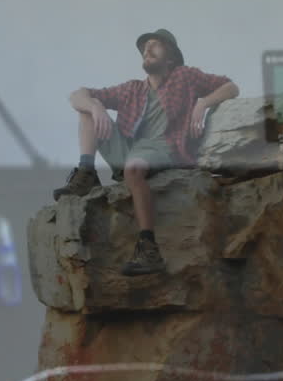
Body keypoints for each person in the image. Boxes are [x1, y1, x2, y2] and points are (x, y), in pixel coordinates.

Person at [58, 29, 239, 275]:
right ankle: (86, 172)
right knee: (88, 107)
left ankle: (149, 248)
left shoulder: (184, 77)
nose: (147, 49)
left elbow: (231, 87)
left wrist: (203, 103)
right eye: (145, 47)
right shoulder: (133, 89)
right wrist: (94, 106)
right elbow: (76, 96)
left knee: (133, 168)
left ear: (171, 58)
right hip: (130, 149)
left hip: (165, 148)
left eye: (155, 45)